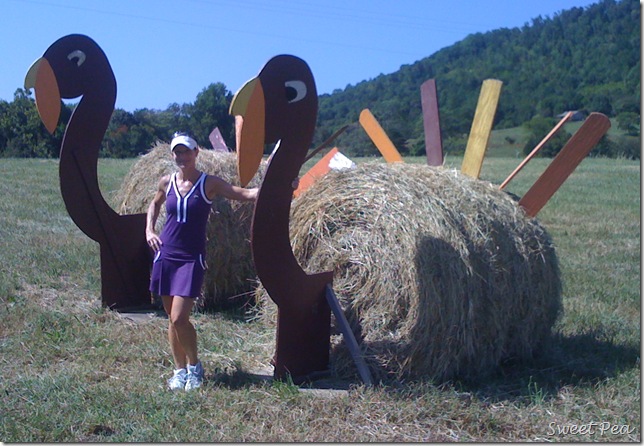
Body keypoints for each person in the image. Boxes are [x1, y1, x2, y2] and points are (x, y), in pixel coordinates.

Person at [146, 132, 258, 391]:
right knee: (171, 319)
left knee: (179, 318)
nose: (182, 156)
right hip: (166, 255)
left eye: (186, 151)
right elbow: (154, 204)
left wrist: (281, 185)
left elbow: (245, 193)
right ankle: (179, 371)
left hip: (191, 258)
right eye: (177, 152)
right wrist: (149, 231)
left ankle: (194, 367)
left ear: (196, 153)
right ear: (172, 155)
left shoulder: (209, 183)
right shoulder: (167, 182)